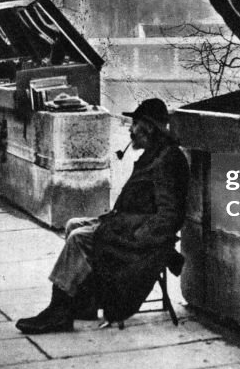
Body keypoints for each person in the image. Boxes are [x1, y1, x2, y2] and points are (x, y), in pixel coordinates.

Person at [15, 98, 189, 334]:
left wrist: (137, 236)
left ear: (148, 127)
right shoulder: (155, 155)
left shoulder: (167, 160)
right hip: (125, 225)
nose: (130, 129)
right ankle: (83, 303)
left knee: (78, 238)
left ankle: (58, 311)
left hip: (135, 237)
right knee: (73, 224)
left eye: (134, 124)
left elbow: (170, 215)